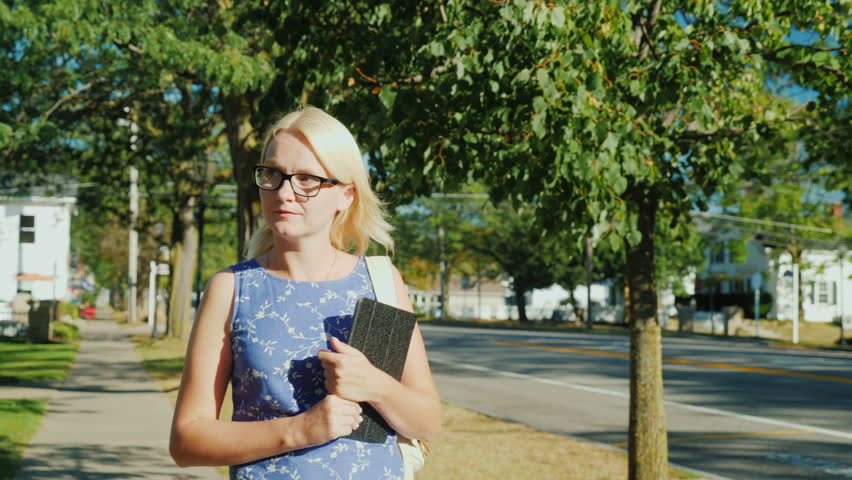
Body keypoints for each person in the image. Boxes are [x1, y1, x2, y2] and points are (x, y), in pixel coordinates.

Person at [169, 106, 442, 479]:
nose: (284, 192)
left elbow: (427, 422)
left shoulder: (379, 280)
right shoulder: (232, 288)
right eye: (273, 174)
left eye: (307, 179)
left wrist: (376, 386)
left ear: (346, 195)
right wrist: (300, 430)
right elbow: (186, 441)